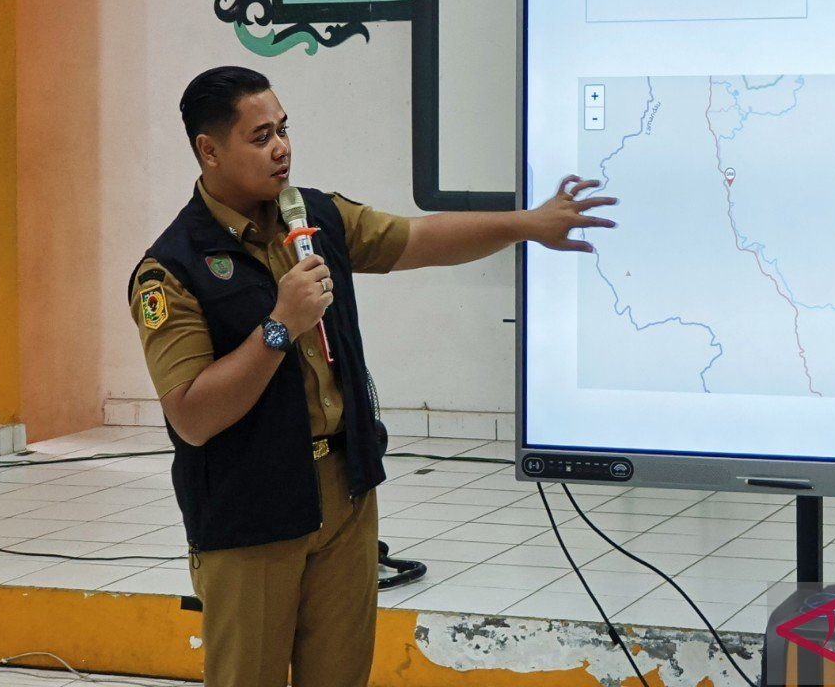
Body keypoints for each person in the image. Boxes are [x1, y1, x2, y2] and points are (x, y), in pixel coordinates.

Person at [127, 65, 615, 687]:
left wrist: (526, 225)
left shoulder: (316, 220)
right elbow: (191, 416)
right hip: (250, 513)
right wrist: (280, 325)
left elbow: (418, 239)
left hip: (345, 490)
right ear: (208, 150)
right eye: (260, 137)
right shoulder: (172, 268)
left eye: (283, 129)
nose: (281, 148)